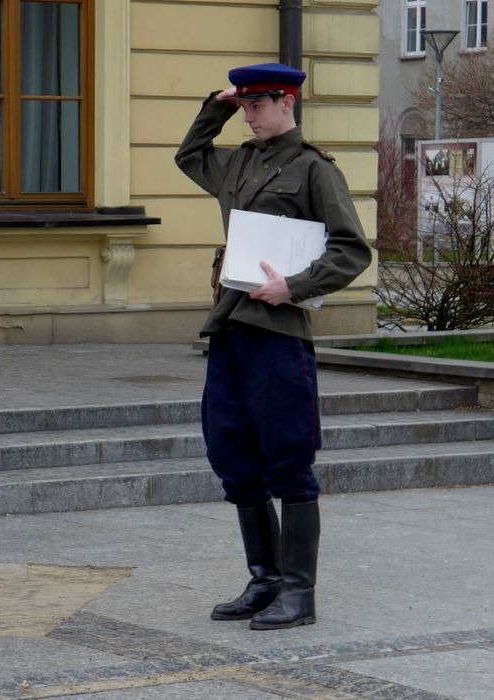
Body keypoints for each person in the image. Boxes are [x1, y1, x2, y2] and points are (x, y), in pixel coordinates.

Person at [174, 63, 371, 630]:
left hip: (278, 335)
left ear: (287, 102)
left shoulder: (313, 169)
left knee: (288, 457)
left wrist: (294, 286)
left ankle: (298, 593)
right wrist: (217, 106)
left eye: (257, 105)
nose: (251, 115)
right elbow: (189, 156)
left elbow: (352, 250)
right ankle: (263, 580)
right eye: (245, 106)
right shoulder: (236, 162)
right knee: (232, 454)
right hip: (230, 329)